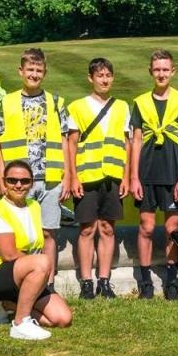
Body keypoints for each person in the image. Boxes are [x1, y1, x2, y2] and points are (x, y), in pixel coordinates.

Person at [0, 159, 73, 341]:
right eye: (12, 180)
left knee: (63, 319)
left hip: (28, 272)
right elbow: (8, 254)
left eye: (24, 181)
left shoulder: (34, 206)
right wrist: (42, 267)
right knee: (43, 261)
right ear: (3, 181)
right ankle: (20, 323)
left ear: (31, 183)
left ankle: (10, 304)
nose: (18, 185)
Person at [128, 49, 178, 300]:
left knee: (172, 228)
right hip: (146, 173)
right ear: (150, 72)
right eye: (157, 69)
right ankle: (145, 282)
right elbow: (135, 141)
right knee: (145, 226)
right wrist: (134, 177)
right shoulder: (141, 102)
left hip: (172, 173)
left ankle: (170, 280)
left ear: (173, 72)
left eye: (166, 69)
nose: (161, 74)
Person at [0, 47, 74, 257]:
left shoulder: (56, 102)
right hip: (18, 180)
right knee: (20, 232)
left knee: (49, 233)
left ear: (45, 73)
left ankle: (47, 283)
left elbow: (64, 140)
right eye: (30, 69)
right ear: (20, 71)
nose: (34, 74)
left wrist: (67, 177)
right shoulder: (6, 102)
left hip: (50, 180)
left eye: (39, 70)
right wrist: (0, 178)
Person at [66, 57, 129, 300]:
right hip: (87, 175)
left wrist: (126, 176)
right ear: (90, 78)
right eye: (99, 75)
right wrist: (72, 177)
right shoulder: (78, 107)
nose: (104, 80)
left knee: (107, 228)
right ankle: (86, 281)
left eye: (108, 75)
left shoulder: (122, 106)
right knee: (86, 229)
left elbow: (127, 143)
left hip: (112, 176)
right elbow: (71, 144)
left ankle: (104, 280)